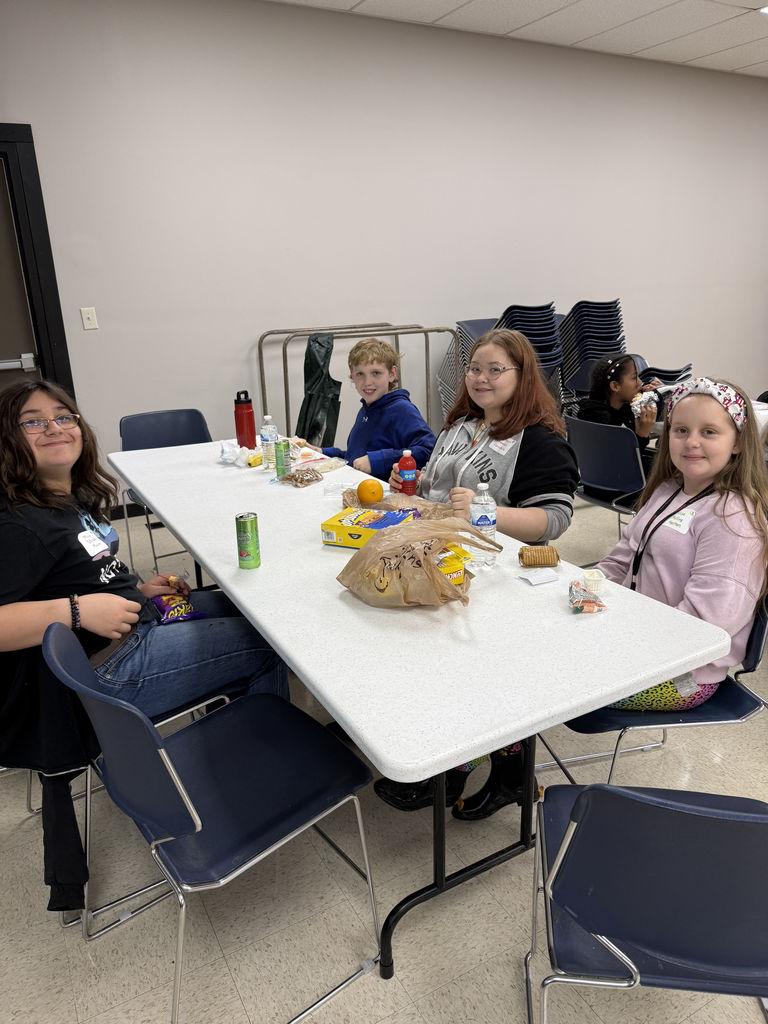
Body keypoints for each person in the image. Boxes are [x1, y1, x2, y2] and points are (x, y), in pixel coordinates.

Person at [0, 379, 289, 911]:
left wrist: (134, 589)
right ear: (9, 440)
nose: (54, 428)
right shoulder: (20, 524)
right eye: (33, 421)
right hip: (112, 669)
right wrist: (79, 610)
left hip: (132, 625)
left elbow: (86, 568)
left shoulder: (65, 496)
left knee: (252, 607)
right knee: (270, 641)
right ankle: (270, 772)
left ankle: (251, 739)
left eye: (63, 416)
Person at [375, 328, 579, 819]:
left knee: (482, 674)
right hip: (443, 563)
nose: (481, 379)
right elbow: (432, 485)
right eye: (475, 369)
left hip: (498, 577)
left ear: (522, 376)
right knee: (428, 662)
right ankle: (453, 763)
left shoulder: (539, 440)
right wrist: (407, 486)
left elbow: (554, 519)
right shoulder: (462, 424)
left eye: (495, 370)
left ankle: (504, 773)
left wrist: (485, 512)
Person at [598, 377, 768, 711]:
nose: (691, 442)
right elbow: (619, 562)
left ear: (737, 443)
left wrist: (623, 640)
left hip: (681, 676)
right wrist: (587, 593)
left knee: (544, 680)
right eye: (680, 430)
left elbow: (707, 623)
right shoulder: (668, 490)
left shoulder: (732, 518)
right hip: (638, 643)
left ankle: (501, 759)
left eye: (709, 432)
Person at [297, 337, 436, 481]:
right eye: (360, 374)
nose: (367, 382)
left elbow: (429, 451)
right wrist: (321, 452)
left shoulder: (402, 409)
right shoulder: (367, 409)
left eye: (376, 373)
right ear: (352, 374)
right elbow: (355, 459)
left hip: (385, 496)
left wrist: (377, 460)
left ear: (392, 374)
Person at [578, 354, 661, 474]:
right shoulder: (601, 419)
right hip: (617, 484)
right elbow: (622, 461)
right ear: (615, 386)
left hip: (603, 478)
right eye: (634, 378)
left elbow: (653, 414)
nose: (640, 382)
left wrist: (652, 395)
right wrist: (642, 435)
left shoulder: (619, 408)